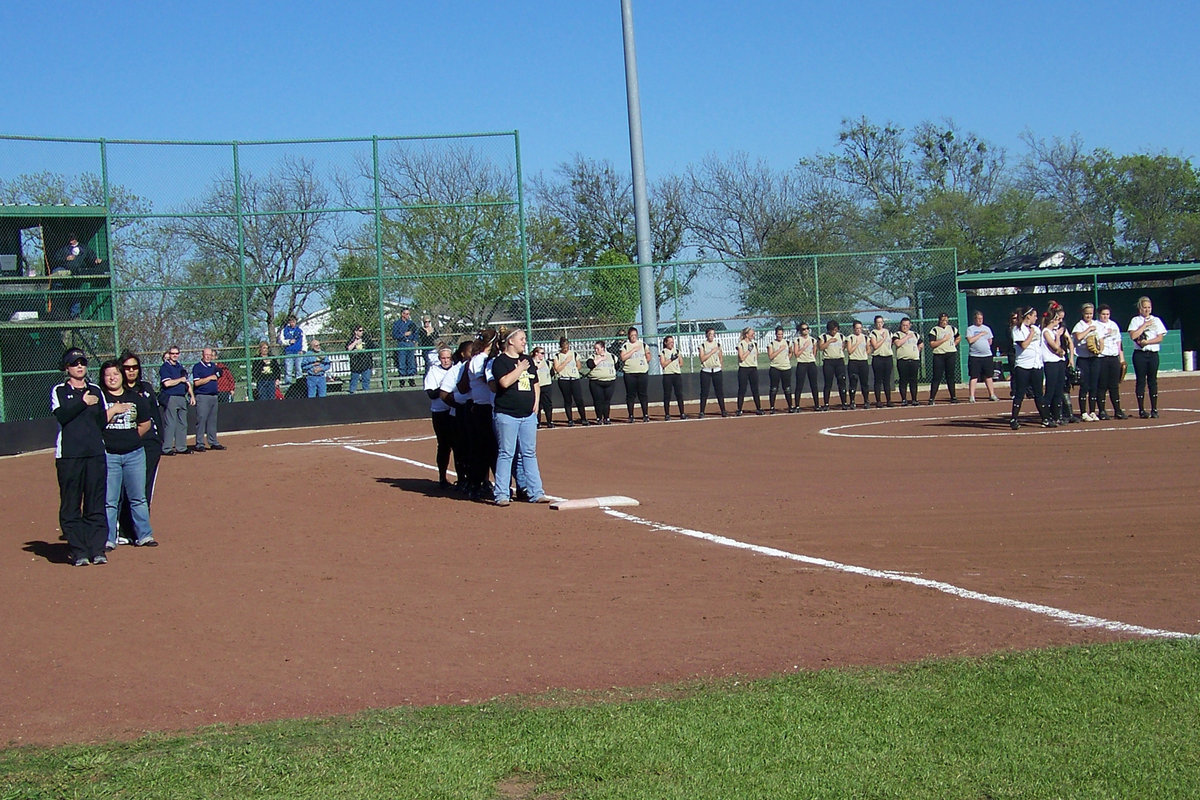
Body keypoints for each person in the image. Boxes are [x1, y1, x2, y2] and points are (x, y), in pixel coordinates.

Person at [51, 348, 108, 566]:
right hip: (69, 457)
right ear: (67, 368)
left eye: (82, 362)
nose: (79, 366)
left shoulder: (96, 390)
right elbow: (63, 416)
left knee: (95, 503)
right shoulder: (59, 390)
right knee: (71, 503)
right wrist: (83, 402)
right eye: (75, 363)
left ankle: (97, 549)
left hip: (95, 455)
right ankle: (78, 550)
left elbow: (102, 421)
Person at [99, 360, 157, 550]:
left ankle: (144, 535)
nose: (112, 378)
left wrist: (131, 438)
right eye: (108, 375)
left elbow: (145, 423)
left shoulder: (135, 398)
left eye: (115, 374)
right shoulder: (99, 399)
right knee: (110, 500)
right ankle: (109, 538)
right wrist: (113, 410)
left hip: (134, 454)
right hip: (109, 455)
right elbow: (95, 423)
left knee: (138, 497)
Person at [489, 328, 548, 506]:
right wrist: (520, 368)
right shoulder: (500, 362)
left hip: (528, 415)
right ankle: (501, 494)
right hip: (507, 415)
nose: (524, 342)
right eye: (521, 339)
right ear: (511, 341)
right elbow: (504, 382)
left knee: (529, 453)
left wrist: (536, 403)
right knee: (506, 453)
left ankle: (536, 492)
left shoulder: (528, 360)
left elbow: (535, 382)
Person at [117, 351, 164, 543]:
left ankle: (141, 531)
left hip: (149, 444)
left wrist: (160, 438)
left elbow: (156, 415)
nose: (131, 371)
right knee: (122, 488)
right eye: (127, 368)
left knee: (144, 488)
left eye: (134, 367)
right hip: (125, 445)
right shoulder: (115, 391)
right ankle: (123, 529)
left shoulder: (146, 388)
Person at [439, 340, 475, 493]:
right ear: (462, 354)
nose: (474, 354)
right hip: (460, 415)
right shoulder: (456, 370)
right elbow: (443, 394)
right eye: (471, 352)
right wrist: (460, 406)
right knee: (461, 449)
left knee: (478, 448)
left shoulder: (480, 367)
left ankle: (480, 480)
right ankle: (462, 479)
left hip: (477, 413)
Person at [1009, 306, 1049, 430]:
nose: (1036, 318)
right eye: (1034, 315)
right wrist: (1031, 334)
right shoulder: (1017, 329)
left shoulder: (1036, 328)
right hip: (1023, 365)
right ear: (1028, 316)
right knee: (1020, 393)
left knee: (1038, 393)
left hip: (1036, 365)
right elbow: (1024, 345)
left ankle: (1045, 419)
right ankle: (1014, 419)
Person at [1129, 296, 1166, 419]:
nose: (1147, 310)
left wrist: (1148, 342)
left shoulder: (1156, 320)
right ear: (1140, 309)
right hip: (1140, 354)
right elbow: (1133, 335)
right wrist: (1144, 325)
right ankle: (1141, 410)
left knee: (1153, 381)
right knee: (1140, 381)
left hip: (1153, 353)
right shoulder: (1135, 320)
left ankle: (1154, 409)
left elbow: (1160, 338)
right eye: (1144, 307)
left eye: (1149, 307)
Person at [425, 346, 456, 490]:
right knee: (444, 445)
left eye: (448, 358)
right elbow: (431, 393)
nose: (446, 361)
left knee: (459, 446)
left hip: (454, 411)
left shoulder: (456, 369)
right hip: (440, 412)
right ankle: (442, 477)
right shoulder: (433, 371)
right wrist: (445, 387)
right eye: (443, 358)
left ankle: (463, 478)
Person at [158, 346, 194, 455]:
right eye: (173, 353)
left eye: (177, 353)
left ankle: (181, 447)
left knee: (183, 423)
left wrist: (192, 395)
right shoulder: (165, 367)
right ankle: (167, 448)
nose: (175, 355)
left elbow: (187, 382)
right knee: (170, 423)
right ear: (169, 354)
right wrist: (180, 380)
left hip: (182, 397)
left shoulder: (180, 367)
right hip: (171, 397)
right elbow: (167, 383)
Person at [1094, 304, 1127, 420]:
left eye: (1107, 314)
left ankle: (1118, 410)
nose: (1105, 316)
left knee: (1114, 385)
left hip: (1113, 357)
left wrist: (1121, 358)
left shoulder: (1113, 325)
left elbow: (1118, 341)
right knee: (1102, 385)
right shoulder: (1095, 325)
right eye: (1103, 314)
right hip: (1101, 357)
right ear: (1099, 314)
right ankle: (1102, 411)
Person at [191, 347, 225, 452]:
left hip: (213, 396)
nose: (208, 356)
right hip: (202, 396)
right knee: (201, 419)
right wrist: (209, 378)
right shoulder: (197, 367)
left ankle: (213, 441)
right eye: (206, 354)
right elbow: (196, 383)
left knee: (212, 420)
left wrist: (216, 375)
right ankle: (199, 443)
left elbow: (220, 373)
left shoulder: (214, 366)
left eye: (210, 355)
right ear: (202, 355)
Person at [1072, 303, 1100, 421]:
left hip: (1094, 358)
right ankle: (1083, 412)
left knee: (1094, 385)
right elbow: (1078, 337)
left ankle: (1093, 411)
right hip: (1083, 358)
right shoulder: (1079, 325)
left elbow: (1101, 338)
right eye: (1087, 313)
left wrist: (1100, 348)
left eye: (1091, 313)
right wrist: (1089, 329)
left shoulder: (1097, 324)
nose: (1089, 316)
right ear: (1083, 313)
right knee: (1084, 385)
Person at [1041, 303, 1068, 428]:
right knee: (1050, 391)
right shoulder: (1046, 331)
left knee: (1058, 390)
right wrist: (1057, 336)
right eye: (1057, 319)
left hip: (1058, 362)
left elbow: (1061, 350)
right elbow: (1056, 347)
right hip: (1050, 363)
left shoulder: (1053, 331)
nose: (1059, 322)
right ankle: (1046, 417)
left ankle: (1058, 416)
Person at [552, 336, 589, 427]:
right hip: (564, 380)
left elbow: (579, 366)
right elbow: (557, 369)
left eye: (567, 347)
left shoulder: (574, 354)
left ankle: (583, 418)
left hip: (574, 379)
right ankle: (570, 419)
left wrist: (574, 370)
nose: (566, 349)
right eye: (564, 348)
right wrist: (565, 362)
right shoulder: (557, 356)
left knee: (579, 399)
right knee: (567, 400)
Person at [965, 311, 999, 403]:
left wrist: (987, 342)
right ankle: (972, 396)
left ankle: (992, 394)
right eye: (978, 319)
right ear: (974, 319)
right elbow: (970, 340)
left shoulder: (987, 328)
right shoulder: (970, 329)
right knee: (974, 376)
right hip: (975, 356)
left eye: (981, 319)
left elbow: (990, 340)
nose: (980, 320)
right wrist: (980, 334)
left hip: (987, 356)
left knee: (988, 376)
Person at [620, 326, 652, 422]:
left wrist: (645, 361)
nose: (634, 337)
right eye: (632, 335)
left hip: (642, 372)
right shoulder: (625, 346)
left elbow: (648, 355)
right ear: (629, 336)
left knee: (643, 394)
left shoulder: (643, 345)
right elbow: (623, 357)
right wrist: (633, 350)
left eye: (635, 335)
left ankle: (645, 414)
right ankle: (631, 415)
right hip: (630, 373)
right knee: (631, 395)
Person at [927, 312, 960, 404]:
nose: (944, 322)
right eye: (942, 320)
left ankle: (953, 397)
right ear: (939, 321)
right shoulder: (935, 330)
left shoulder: (952, 329)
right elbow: (932, 344)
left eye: (946, 320)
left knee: (950, 376)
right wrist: (944, 340)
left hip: (951, 354)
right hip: (939, 355)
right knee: (937, 377)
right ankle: (932, 398)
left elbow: (958, 337)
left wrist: (954, 344)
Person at [697, 326, 727, 418]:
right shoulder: (702, 345)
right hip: (706, 371)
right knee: (704, 392)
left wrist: (720, 365)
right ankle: (702, 411)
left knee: (719, 391)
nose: (711, 336)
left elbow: (720, 357)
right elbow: (702, 358)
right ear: (706, 335)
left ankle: (723, 410)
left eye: (713, 334)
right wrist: (711, 352)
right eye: (710, 334)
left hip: (716, 370)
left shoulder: (717, 345)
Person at [586, 339, 618, 425]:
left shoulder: (611, 356)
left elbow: (617, 366)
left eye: (598, 349)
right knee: (598, 401)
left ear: (603, 348)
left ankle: (606, 417)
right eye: (595, 349)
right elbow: (590, 364)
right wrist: (601, 358)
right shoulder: (593, 357)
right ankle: (599, 418)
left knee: (607, 401)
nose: (596, 351)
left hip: (609, 381)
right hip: (596, 382)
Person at [818, 320, 848, 411]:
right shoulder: (823, 336)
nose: (834, 332)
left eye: (836, 330)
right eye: (832, 330)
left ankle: (844, 402)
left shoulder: (841, 336)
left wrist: (842, 349)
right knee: (828, 383)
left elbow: (844, 345)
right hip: (828, 361)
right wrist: (829, 341)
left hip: (839, 361)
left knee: (842, 381)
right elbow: (821, 348)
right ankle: (826, 403)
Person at [892, 317, 923, 406]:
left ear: (910, 325)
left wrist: (917, 350)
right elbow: (897, 343)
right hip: (903, 360)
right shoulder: (897, 334)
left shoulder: (915, 334)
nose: (905, 327)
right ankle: (904, 399)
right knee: (903, 380)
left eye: (907, 325)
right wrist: (907, 337)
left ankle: (914, 399)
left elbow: (921, 343)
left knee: (913, 380)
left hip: (914, 360)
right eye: (903, 325)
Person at [734, 327, 763, 416]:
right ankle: (739, 409)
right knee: (742, 389)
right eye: (752, 334)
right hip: (744, 368)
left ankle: (758, 408)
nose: (753, 335)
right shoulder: (741, 344)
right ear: (747, 335)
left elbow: (756, 355)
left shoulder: (754, 343)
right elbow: (741, 357)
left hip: (753, 368)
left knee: (755, 389)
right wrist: (749, 350)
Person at [867, 316, 895, 408]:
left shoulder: (888, 332)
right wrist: (882, 339)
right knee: (878, 380)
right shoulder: (873, 333)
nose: (880, 324)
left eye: (881, 322)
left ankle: (889, 400)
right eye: (878, 322)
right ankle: (878, 401)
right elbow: (875, 346)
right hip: (878, 358)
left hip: (887, 357)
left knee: (887, 380)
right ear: (875, 323)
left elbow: (891, 343)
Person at [792, 322, 820, 411]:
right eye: (804, 329)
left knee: (814, 385)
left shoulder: (813, 340)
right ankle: (797, 405)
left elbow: (815, 352)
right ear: (800, 331)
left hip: (811, 363)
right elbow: (796, 354)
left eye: (807, 328)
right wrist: (804, 347)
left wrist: (812, 356)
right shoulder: (797, 340)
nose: (806, 330)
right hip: (802, 363)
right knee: (799, 385)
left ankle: (817, 405)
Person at [765, 326, 793, 413]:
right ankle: (772, 407)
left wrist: (787, 358)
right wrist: (780, 350)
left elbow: (791, 352)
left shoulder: (788, 342)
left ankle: (790, 406)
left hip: (786, 368)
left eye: (781, 334)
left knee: (787, 388)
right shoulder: (772, 344)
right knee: (774, 388)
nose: (780, 336)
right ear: (775, 334)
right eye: (778, 334)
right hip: (775, 368)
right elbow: (771, 356)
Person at [659, 334, 687, 420]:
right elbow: (663, 364)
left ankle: (682, 413)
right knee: (667, 395)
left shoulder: (677, 351)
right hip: (667, 375)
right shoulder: (663, 352)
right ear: (665, 343)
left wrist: (676, 364)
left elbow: (681, 363)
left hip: (676, 375)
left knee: (679, 394)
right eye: (670, 342)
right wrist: (671, 359)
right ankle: (667, 414)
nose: (672, 344)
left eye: (673, 342)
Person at [845, 320, 870, 409]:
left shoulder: (866, 338)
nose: (859, 330)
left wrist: (865, 353)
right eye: (857, 328)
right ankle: (852, 401)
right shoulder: (850, 338)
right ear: (853, 329)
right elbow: (850, 351)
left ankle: (866, 401)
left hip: (863, 362)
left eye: (860, 328)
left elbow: (868, 349)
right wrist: (857, 343)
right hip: (853, 362)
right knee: (853, 382)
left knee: (864, 383)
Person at [391, 308, 419, 386]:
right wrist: (404, 334)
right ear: (402, 314)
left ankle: (411, 379)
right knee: (402, 363)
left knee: (411, 363)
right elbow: (394, 335)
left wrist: (414, 341)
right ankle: (402, 380)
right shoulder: (397, 324)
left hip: (410, 344)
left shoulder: (411, 323)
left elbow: (416, 333)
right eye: (406, 314)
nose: (408, 315)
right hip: (402, 344)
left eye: (409, 314)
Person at [346, 325, 375, 393]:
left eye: (362, 330)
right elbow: (348, 349)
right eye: (360, 330)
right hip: (356, 364)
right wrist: (356, 342)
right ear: (356, 332)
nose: (362, 332)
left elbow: (373, 347)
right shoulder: (351, 339)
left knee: (366, 381)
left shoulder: (366, 338)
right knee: (354, 382)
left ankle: (366, 396)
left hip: (366, 364)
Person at [278, 315, 305, 385]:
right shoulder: (284, 330)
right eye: (291, 321)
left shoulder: (300, 330)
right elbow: (281, 341)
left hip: (298, 352)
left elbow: (304, 341)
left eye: (294, 321)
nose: (292, 323)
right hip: (289, 352)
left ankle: (299, 383)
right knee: (288, 369)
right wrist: (288, 341)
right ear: (289, 322)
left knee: (298, 369)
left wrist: (303, 350)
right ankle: (288, 383)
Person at [532, 346, 554, 428]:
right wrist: (537, 367)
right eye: (541, 353)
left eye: (543, 353)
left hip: (546, 385)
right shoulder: (531, 362)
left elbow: (552, 373)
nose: (542, 355)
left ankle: (549, 421)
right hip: (537, 386)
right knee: (538, 404)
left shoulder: (547, 363)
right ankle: (537, 422)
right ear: (536, 353)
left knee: (547, 404)